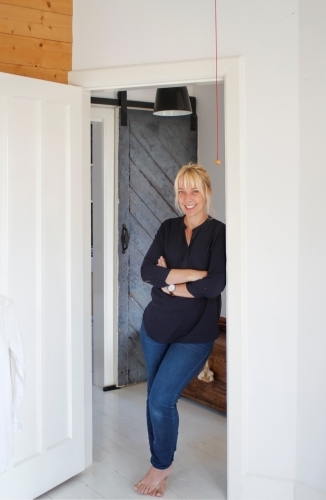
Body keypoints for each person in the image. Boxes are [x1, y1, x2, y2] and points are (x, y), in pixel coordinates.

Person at [134, 163, 226, 497]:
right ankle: (160, 460)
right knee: (153, 398)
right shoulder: (168, 227)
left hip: (195, 333)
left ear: (207, 192)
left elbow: (215, 284)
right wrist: (193, 276)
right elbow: (147, 271)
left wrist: (170, 279)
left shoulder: (219, 232)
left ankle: (161, 465)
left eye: (194, 191)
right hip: (156, 325)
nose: (188, 199)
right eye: (182, 191)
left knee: (161, 399)